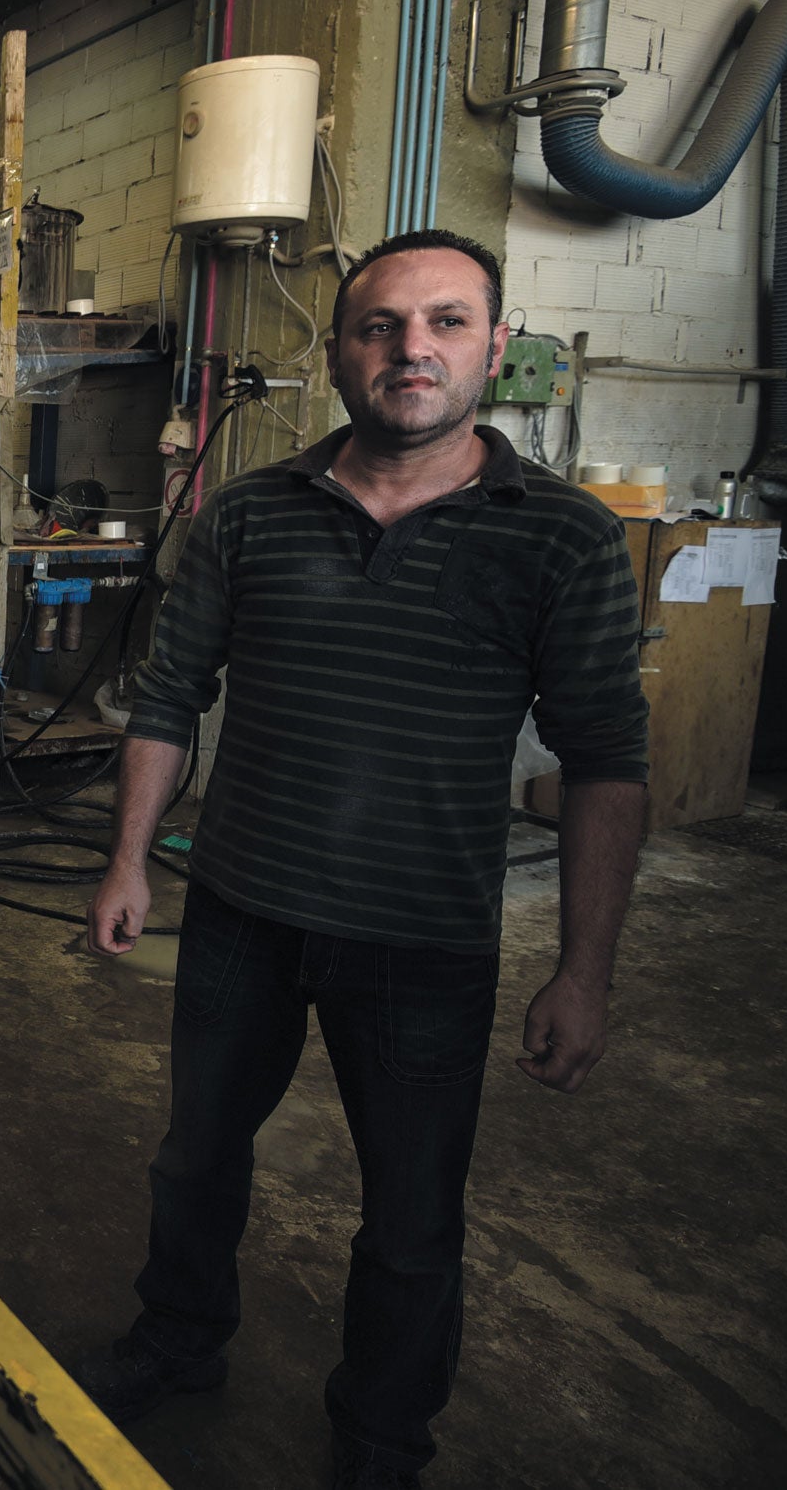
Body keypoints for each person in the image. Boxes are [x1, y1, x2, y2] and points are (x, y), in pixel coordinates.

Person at [82, 229, 649, 1488]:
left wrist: (584, 972)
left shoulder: (559, 539)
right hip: (238, 912)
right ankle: (179, 1338)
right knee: (194, 1157)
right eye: (380, 326)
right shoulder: (248, 514)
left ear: (495, 350)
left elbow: (606, 758)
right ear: (338, 351)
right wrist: (129, 860)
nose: (412, 350)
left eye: (446, 323)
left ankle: (382, 1434)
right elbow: (169, 695)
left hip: (424, 939)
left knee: (408, 1220)